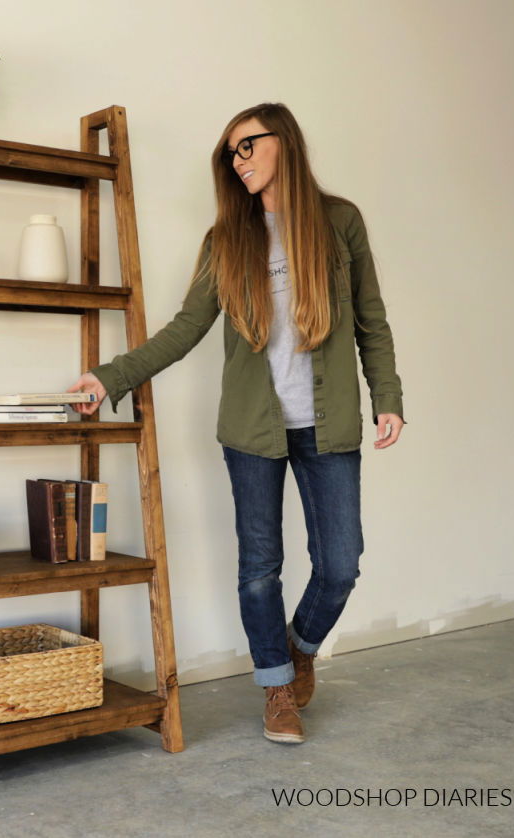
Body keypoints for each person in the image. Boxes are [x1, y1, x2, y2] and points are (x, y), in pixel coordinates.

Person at [66, 103, 406, 745]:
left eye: (248, 145)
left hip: (328, 427)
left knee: (342, 564)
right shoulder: (226, 241)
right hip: (252, 431)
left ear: (285, 141)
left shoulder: (340, 223)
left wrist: (386, 394)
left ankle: (298, 649)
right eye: (231, 154)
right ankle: (277, 688)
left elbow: (371, 319)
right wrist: (112, 375)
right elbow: (186, 328)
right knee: (260, 566)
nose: (239, 160)